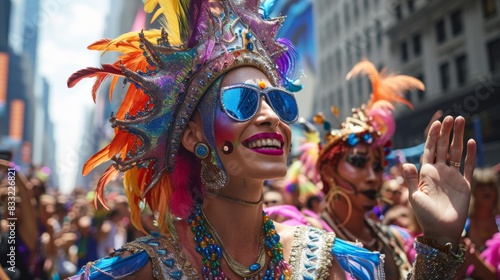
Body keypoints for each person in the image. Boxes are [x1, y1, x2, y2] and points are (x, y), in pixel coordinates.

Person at [65, 1, 476, 279]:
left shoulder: (330, 262)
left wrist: (440, 242)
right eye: (242, 101)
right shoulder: (143, 270)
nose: (270, 116)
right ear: (193, 136)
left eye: (278, 102)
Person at [455, 167, 500, 279]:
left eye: (491, 186)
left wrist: (473, 257)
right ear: (472, 191)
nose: (487, 190)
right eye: (481, 186)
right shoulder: (462, 226)